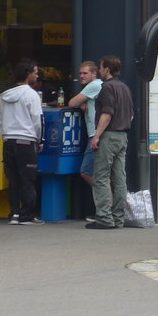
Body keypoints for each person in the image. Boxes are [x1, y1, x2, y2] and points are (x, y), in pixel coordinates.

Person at [87, 55, 134, 230]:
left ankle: (104, 219)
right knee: (120, 178)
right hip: (123, 136)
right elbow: (131, 115)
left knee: (101, 177)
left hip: (109, 136)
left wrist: (97, 136)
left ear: (107, 69)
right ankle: (118, 218)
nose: (99, 71)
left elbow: (107, 114)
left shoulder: (107, 88)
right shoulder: (124, 88)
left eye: (100, 68)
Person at [0, 59, 44, 224]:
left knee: (13, 179)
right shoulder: (31, 94)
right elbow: (38, 120)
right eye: (35, 72)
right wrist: (39, 140)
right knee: (28, 179)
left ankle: (15, 214)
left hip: (8, 140)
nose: (37, 76)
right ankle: (27, 215)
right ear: (27, 74)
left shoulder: (4, 95)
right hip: (26, 140)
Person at [68, 61, 103, 206]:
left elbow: (72, 103)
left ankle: (106, 202)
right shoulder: (99, 85)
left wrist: (81, 102)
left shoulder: (93, 86)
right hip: (99, 134)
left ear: (94, 73)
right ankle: (112, 205)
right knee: (105, 174)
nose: (81, 76)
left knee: (86, 171)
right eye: (80, 73)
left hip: (95, 135)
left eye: (85, 73)